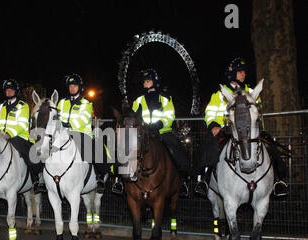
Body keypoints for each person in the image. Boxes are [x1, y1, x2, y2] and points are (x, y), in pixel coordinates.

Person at [194, 57, 289, 198]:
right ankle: (204, 180)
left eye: (244, 72)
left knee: (270, 145)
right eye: (240, 72)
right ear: (232, 73)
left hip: (249, 131)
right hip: (224, 130)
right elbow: (210, 113)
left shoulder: (251, 90)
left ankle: (279, 181)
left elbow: (259, 107)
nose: (243, 74)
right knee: (209, 147)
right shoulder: (220, 94)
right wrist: (214, 125)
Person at [111, 69, 191, 197]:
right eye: (144, 81)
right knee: (126, 148)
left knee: (175, 148)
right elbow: (133, 116)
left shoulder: (165, 98)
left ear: (155, 82)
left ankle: (183, 180)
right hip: (143, 132)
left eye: (147, 81)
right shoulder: (138, 100)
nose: (145, 83)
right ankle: (119, 180)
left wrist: (160, 124)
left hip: (162, 131)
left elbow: (170, 116)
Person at [56, 74, 111, 193]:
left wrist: (68, 125)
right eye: (70, 86)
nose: (72, 88)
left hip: (81, 133)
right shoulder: (62, 102)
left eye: (75, 86)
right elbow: (56, 117)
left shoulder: (86, 103)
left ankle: (100, 176)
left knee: (96, 150)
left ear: (80, 88)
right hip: (63, 134)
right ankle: (42, 177)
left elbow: (83, 120)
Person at [0, 79, 46, 193]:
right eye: (7, 90)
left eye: (11, 90)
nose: (8, 92)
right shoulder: (1, 106)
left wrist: (9, 134)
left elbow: (22, 124)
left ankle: (38, 177)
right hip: (2, 137)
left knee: (30, 155)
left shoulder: (23, 106)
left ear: (16, 91)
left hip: (19, 137)